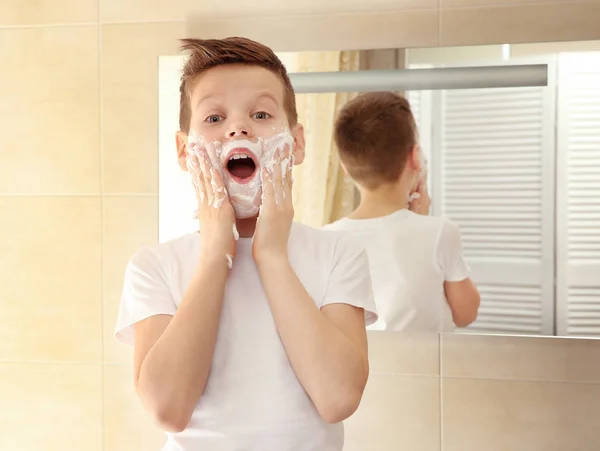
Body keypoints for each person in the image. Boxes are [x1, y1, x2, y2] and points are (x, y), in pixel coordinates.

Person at [113, 37, 377, 451]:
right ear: (185, 151)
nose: (239, 128)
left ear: (298, 143)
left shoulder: (338, 255)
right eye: (214, 118)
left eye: (261, 113)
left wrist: (271, 255)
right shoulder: (155, 266)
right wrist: (217, 249)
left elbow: (339, 397)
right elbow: (168, 409)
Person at [324, 91, 480, 333]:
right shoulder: (440, 232)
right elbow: (465, 314)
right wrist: (421, 222)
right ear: (415, 157)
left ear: (346, 167)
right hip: (426, 370)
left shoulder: (327, 239)